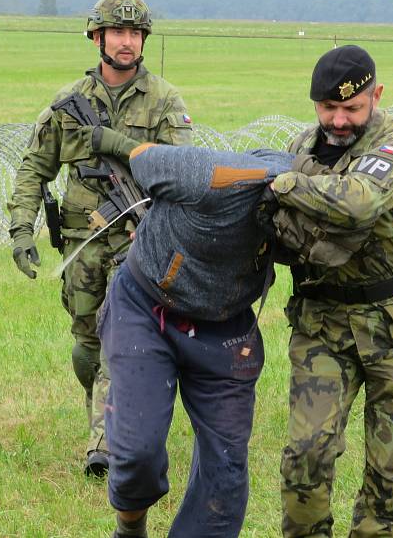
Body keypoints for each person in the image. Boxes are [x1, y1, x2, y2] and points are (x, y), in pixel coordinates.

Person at [268, 45, 393, 537]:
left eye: (352, 108)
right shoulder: (302, 146)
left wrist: (282, 184)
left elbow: (359, 202)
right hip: (323, 325)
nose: (340, 120)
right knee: (305, 456)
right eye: (329, 108)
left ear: (377, 95)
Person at [7, 0, 192, 476]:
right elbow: (34, 170)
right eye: (118, 33)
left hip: (138, 240)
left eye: (135, 33)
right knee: (87, 343)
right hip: (81, 243)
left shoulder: (165, 100)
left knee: (119, 340)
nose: (127, 42)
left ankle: (106, 447)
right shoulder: (69, 104)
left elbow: (180, 170)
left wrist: (123, 146)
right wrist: (20, 227)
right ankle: (104, 412)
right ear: (98, 37)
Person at [93, 137, 293, 537]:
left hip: (226, 324)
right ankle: (130, 529)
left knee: (226, 472)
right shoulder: (208, 176)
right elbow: (141, 157)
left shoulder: (315, 200)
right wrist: (162, 210)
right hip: (146, 306)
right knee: (137, 453)